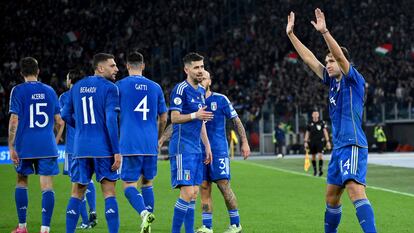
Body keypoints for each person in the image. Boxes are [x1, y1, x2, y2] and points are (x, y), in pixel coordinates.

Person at [286, 9, 377, 233]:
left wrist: (325, 32)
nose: (327, 64)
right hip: (338, 147)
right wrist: (291, 35)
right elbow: (309, 59)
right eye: (327, 61)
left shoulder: (353, 79)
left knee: (355, 190)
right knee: (331, 197)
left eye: (331, 61)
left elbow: (339, 57)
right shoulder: (332, 82)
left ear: (341, 62)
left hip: (352, 143)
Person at [62, 53, 121, 233]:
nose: (116, 69)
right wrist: (116, 151)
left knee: (77, 192)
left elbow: (65, 115)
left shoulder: (77, 87)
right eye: (112, 66)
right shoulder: (110, 88)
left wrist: (80, 127)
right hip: (103, 148)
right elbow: (111, 121)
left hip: (80, 148)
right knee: (109, 192)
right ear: (100, 68)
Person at [9, 57, 64, 233]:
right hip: (47, 145)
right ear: (38, 71)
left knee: (21, 181)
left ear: (21, 73)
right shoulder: (49, 90)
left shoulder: (17, 91)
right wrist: (54, 139)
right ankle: (45, 229)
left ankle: (22, 227)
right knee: (47, 186)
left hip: (25, 145)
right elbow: (59, 121)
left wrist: (11, 146)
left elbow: (14, 120)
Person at [116, 51, 168, 233]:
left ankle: (144, 213)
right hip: (150, 143)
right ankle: (148, 225)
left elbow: (112, 115)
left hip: (130, 142)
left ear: (127, 66)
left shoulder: (119, 86)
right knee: (147, 183)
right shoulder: (155, 87)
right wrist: (159, 137)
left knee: (129, 185)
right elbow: (163, 117)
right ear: (143, 66)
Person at [196, 71, 250, 233]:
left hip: (218, 151)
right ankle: (207, 226)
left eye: (204, 78)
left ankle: (235, 224)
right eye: (199, 79)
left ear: (210, 81)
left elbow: (236, 121)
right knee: (204, 187)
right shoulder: (192, 100)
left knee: (224, 187)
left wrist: (245, 142)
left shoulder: (220, 99)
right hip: (200, 151)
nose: (201, 81)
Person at [169, 52, 213, 233]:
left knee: (194, 194)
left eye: (202, 66)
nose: (200, 70)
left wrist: (207, 146)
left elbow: (201, 121)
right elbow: (174, 118)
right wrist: (195, 115)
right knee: (187, 193)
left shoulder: (201, 92)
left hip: (196, 148)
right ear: (186, 69)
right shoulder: (180, 89)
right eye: (196, 67)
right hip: (182, 148)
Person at [59, 69, 97, 229]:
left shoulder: (65, 96)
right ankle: (93, 211)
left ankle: (85, 221)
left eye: (67, 78)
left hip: (73, 146)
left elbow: (64, 117)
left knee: (76, 186)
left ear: (70, 80)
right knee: (88, 180)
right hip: (92, 144)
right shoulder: (92, 94)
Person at [304, 110, 331, 176]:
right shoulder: (309, 123)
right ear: (312, 115)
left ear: (318, 115)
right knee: (313, 157)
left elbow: (325, 132)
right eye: (314, 114)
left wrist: (328, 141)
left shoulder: (322, 122)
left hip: (320, 141)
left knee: (320, 156)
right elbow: (307, 133)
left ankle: (320, 170)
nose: (315, 115)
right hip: (312, 142)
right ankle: (315, 170)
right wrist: (305, 142)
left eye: (317, 114)